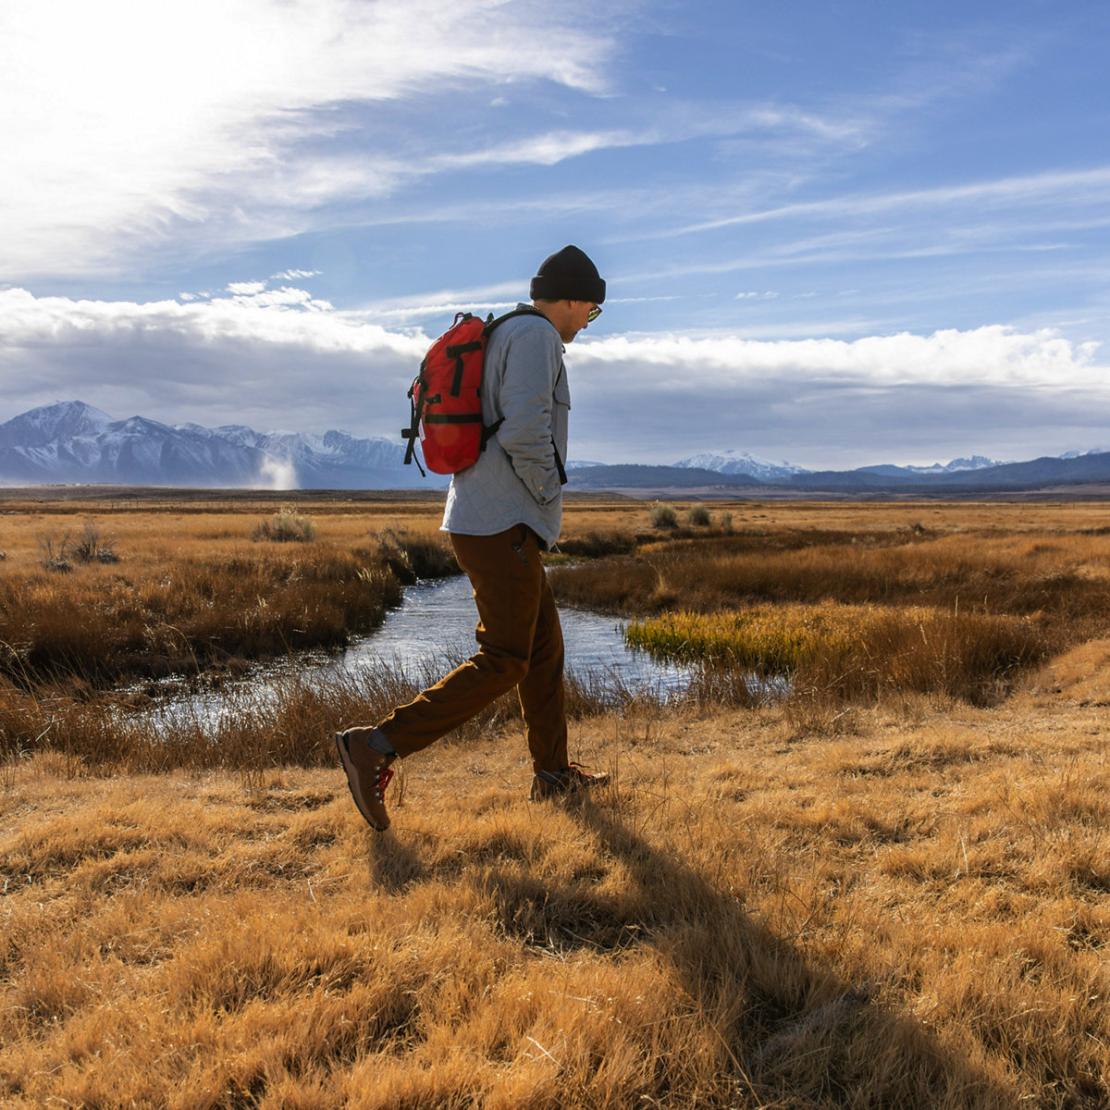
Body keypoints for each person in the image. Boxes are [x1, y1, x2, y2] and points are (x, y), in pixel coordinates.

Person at [336, 244, 610, 831]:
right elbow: (525, 430)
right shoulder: (536, 338)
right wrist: (544, 497)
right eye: (590, 309)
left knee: (541, 654)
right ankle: (377, 745)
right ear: (569, 300)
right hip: (503, 520)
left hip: (488, 517)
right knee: (505, 658)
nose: (589, 321)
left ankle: (554, 774)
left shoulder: (505, 331)